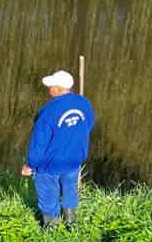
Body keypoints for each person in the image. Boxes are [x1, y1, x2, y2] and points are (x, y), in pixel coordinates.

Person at [20, 69, 95, 230]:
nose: (49, 89)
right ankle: (71, 222)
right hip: (74, 159)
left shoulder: (48, 111)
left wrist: (30, 165)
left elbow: (39, 142)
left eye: (51, 86)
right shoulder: (84, 103)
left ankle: (52, 228)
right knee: (69, 188)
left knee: (48, 193)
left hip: (51, 164)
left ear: (58, 89)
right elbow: (88, 125)